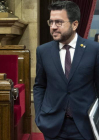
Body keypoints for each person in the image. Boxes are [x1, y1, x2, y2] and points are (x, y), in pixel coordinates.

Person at [33, 1, 99, 140]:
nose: (53, 27)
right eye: (51, 22)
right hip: (52, 126)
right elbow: (40, 85)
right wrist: (39, 116)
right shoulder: (43, 51)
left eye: (59, 22)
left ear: (74, 24)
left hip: (84, 126)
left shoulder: (94, 50)